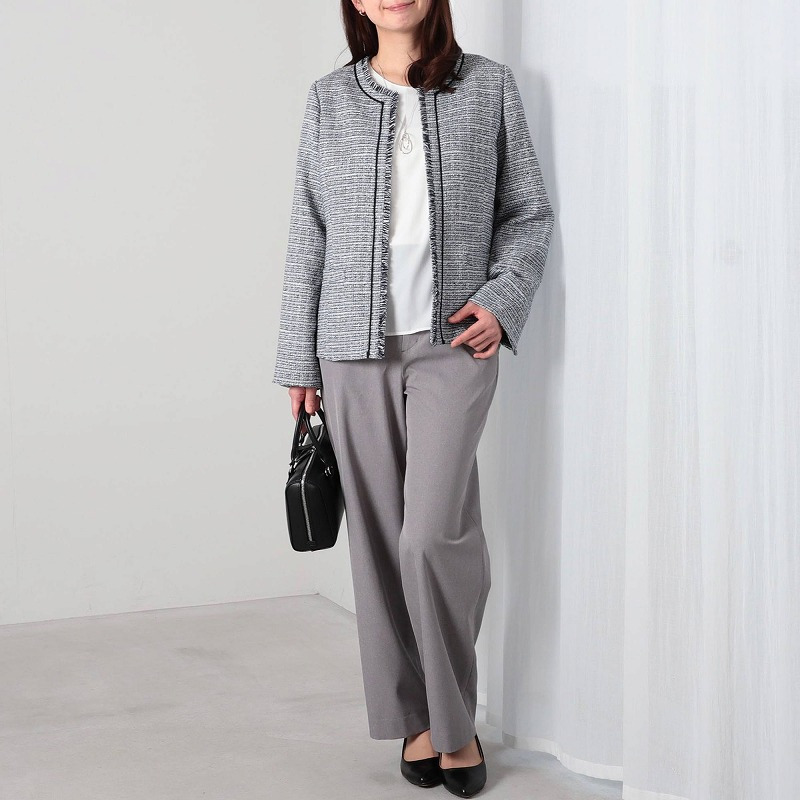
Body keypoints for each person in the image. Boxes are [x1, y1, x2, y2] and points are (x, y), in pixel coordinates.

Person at [272, 1, 554, 795]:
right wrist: (298, 358)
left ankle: (455, 721)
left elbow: (527, 212)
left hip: (452, 346)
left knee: (431, 537)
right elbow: (308, 231)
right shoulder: (329, 99)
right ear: (357, 3)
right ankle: (415, 721)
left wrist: (502, 301)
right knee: (378, 544)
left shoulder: (488, 87)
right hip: (348, 349)